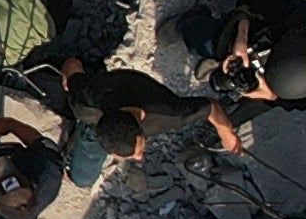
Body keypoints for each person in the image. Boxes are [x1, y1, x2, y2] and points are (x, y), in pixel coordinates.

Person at [179, 0, 306, 110]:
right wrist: (241, 37)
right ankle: (190, 23)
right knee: (201, 39)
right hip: (254, 34)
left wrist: (269, 95)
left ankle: (218, 63)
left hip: (276, 80)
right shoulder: (293, 16)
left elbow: (293, 104)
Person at [68, 62, 245, 163]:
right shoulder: (85, 105)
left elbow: (211, 107)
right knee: (83, 177)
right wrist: (69, 75)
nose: (140, 158)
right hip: (108, 85)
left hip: (124, 85)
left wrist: (226, 131)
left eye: (137, 151)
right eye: (138, 152)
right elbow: (71, 65)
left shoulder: (169, 112)